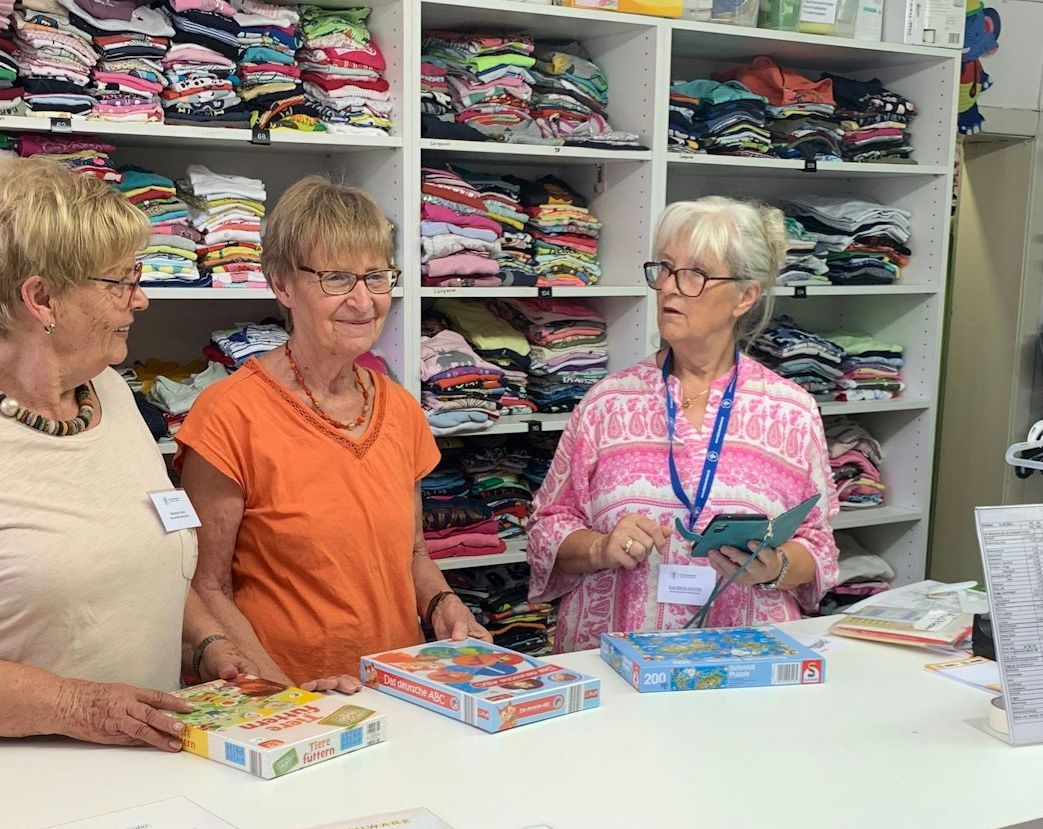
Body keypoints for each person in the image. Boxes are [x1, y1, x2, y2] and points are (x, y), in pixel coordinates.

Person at [0, 157, 254, 752]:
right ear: (42, 299)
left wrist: (210, 645)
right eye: (121, 282)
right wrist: (76, 705)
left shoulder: (108, 391)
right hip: (13, 794)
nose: (140, 301)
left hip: (142, 773)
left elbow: (138, 560)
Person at [178, 176, 490, 688]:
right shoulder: (228, 415)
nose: (364, 301)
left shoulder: (400, 408)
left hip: (397, 694)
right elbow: (206, 586)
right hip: (283, 706)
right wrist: (282, 692)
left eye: (376, 276)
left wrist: (445, 606)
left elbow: (412, 554)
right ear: (281, 284)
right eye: (338, 278)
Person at [527, 196, 841, 652]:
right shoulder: (608, 403)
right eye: (665, 269)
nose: (670, 288)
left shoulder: (791, 411)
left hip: (741, 663)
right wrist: (600, 547)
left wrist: (773, 567)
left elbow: (819, 547)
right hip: (614, 663)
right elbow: (546, 527)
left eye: (694, 274)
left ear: (745, 295)